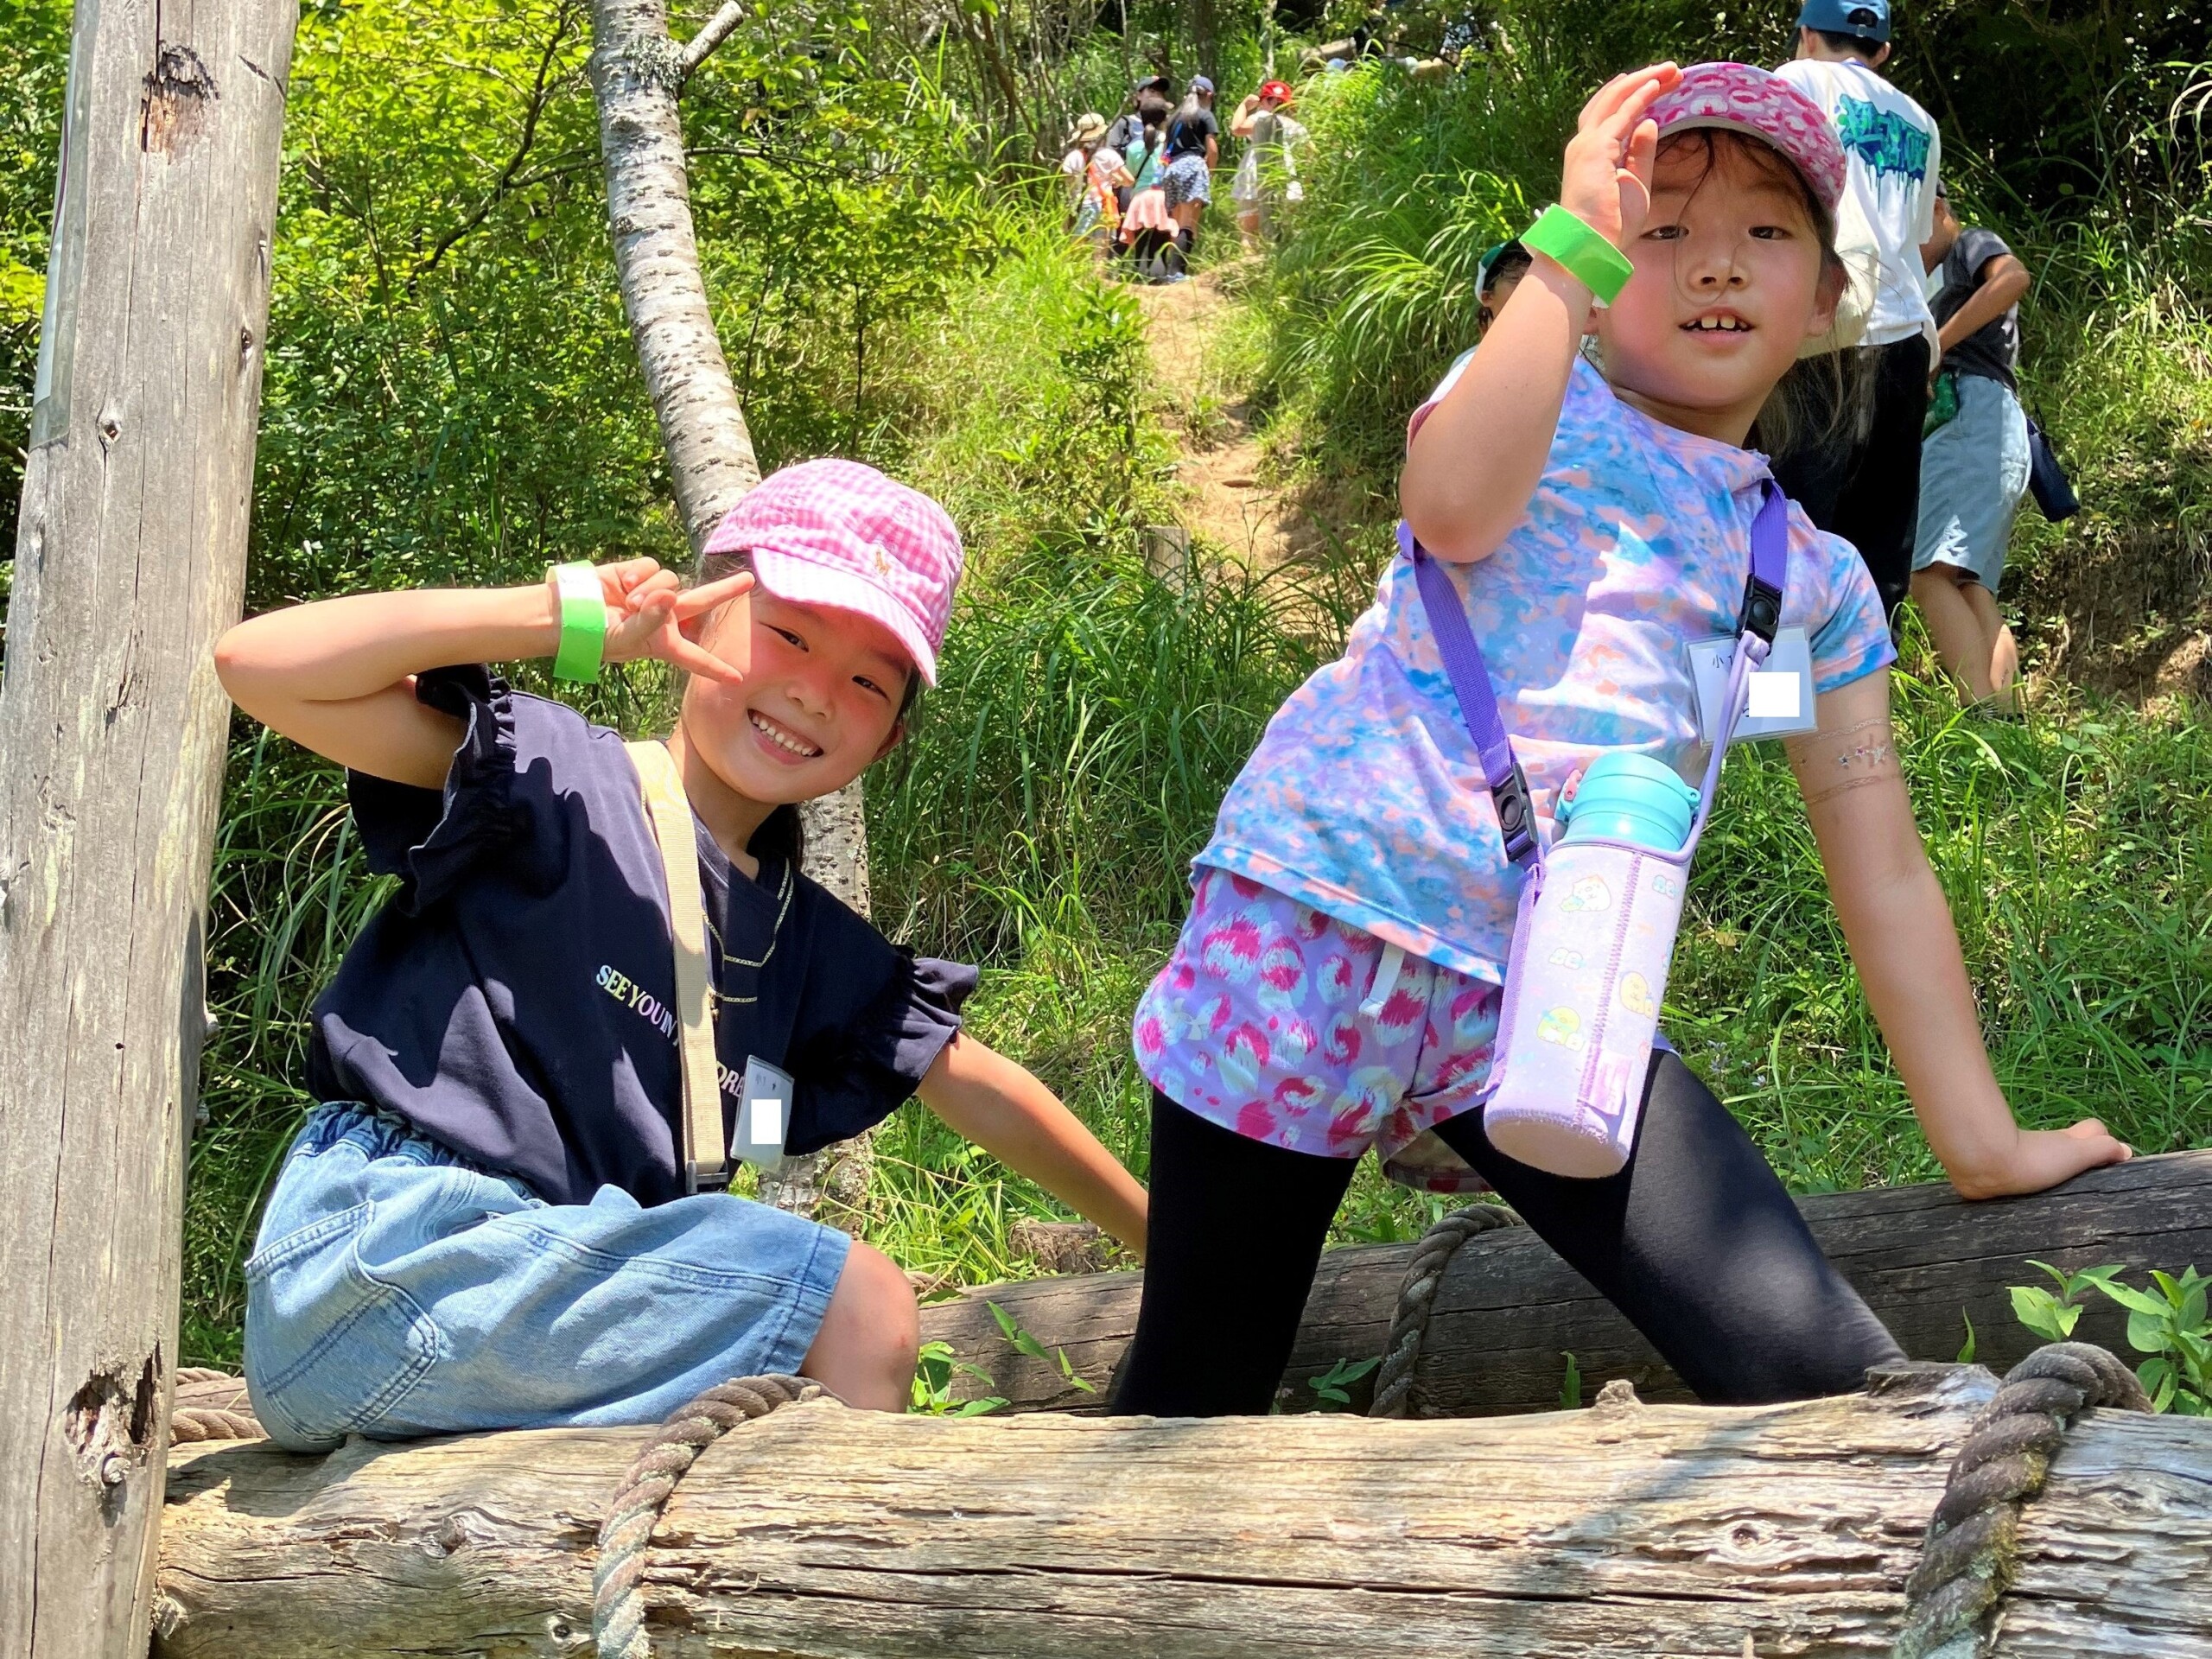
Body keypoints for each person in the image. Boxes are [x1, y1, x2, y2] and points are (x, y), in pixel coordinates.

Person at [1110, 63, 2128, 1420]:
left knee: (1824, 1377)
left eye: (1769, 233)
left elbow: (1881, 866)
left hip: (1544, 997)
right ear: (1596, 266)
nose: (1717, 266)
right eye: (1665, 231)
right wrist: (1568, 249)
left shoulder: (1811, 577)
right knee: (1197, 1400)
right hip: (1304, 922)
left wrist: (1983, 1141)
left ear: (1828, 296)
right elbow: (1456, 509)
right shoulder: (1540, 399)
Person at [218, 460, 1150, 1449]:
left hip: (563, 1287)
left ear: (887, 742)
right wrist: (559, 617)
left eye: (868, 681)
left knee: (798, 1339)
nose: (815, 692)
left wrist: (1161, 1241)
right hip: (390, 1251)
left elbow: (975, 1084)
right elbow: (261, 665)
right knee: (862, 1305)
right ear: (699, 618)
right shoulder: (553, 780)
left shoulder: (802, 943)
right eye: (789, 633)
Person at [1771, 0, 1942, 624]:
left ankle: (1773, 706)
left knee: (1790, 527)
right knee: (1878, 540)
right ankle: (1868, 700)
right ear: (1884, 52)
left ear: (1807, 36)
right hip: (1907, 337)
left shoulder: (1797, 81)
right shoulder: (1921, 121)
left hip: (1825, 328)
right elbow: (1917, 239)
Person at [1912, 182, 2031, 709]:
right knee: (1969, 581)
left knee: (1929, 574)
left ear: (1938, 209)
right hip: (1988, 424)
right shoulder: (1928, 281)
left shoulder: (1970, 245)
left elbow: (2013, 279)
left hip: (1973, 414)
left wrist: (1939, 341)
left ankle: (1979, 718)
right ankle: (2006, 723)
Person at [1229, 79, 1308, 249]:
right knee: (1285, 223)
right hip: (1285, 172)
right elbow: (1311, 151)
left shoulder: (1261, 117)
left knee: (1249, 230)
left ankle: (1248, 263)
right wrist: (1308, 178)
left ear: (1265, 100)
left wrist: (1244, 105)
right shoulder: (1293, 124)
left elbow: (1236, 128)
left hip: (1254, 171)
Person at [1158, 75, 1221, 281]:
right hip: (1193, 166)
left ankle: (1171, 270)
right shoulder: (1205, 115)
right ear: (1209, 95)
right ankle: (1176, 272)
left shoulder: (1174, 117)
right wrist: (1209, 172)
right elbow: (1212, 149)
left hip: (1172, 169)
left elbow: (1164, 150)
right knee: (1188, 224)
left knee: (1177, 224)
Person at [1119, 105, 1176, 280]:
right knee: (1161, 237)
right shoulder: (1169, 145)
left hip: (1140, 198)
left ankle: (1138, 270)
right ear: (1164, 121)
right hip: (1162, 196)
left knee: (1140, 239)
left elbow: (1130, 175)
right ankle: (1159, 272)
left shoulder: (1133, 147)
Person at [1061, 111, 1108, 226]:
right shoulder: (1107, 155)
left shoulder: (1072, 157)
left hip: (1079, 205)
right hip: (1103, 204)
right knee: (1101, 241)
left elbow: (1068, 180)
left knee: (1078, 240)